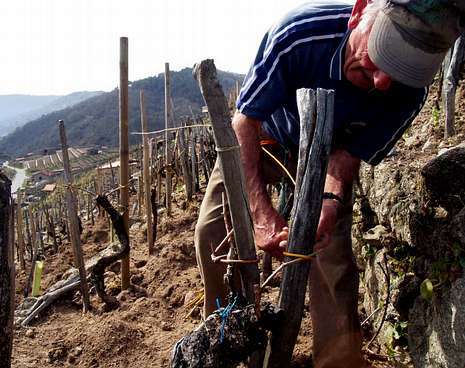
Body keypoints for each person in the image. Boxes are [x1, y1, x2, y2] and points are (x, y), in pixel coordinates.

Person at [194, 0, 463, 367]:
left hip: (326, 153)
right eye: (384, 52)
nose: (383, 81)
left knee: (333, 259)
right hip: (266, 138)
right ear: (360, 11)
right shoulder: (300, 36)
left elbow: (345, 158)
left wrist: (330, 202)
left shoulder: (409, 92)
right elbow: (245, 125)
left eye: (404, 69)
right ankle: (220, 339)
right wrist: (259, 213)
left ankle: (338, 362)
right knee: (211, 231)